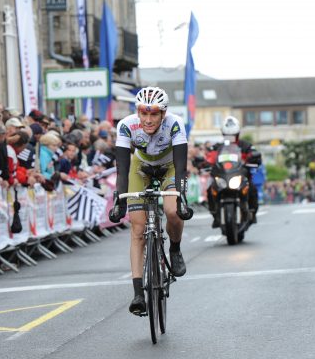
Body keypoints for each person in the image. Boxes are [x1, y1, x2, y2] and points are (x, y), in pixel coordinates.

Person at [108, 86, 193, 315]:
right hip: (140, 168)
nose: (147, 119)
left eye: (153, 114)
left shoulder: (175, 124)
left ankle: (174, 249)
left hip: (169, 167)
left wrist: (181, 198)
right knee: (138, 227)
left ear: (163, 113)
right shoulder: (126, 125)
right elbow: (123, 169)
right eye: (143, 113)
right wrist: (120, 200)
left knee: (173, 211)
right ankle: (138, 293)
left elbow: (181, 167)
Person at [206, 116, 261, 227]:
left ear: (238, 133)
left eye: (233, 135)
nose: (230, 138)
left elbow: (255, 155)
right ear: (223, 134)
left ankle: (252, 212)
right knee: (210, 190)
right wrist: (203, 162)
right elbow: (208, 158)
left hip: (241, 176)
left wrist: (254, 158)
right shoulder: (217, 147)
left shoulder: (246, 146)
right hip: (222, 176)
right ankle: (215, 214)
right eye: (227, 135)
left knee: (252, 189)